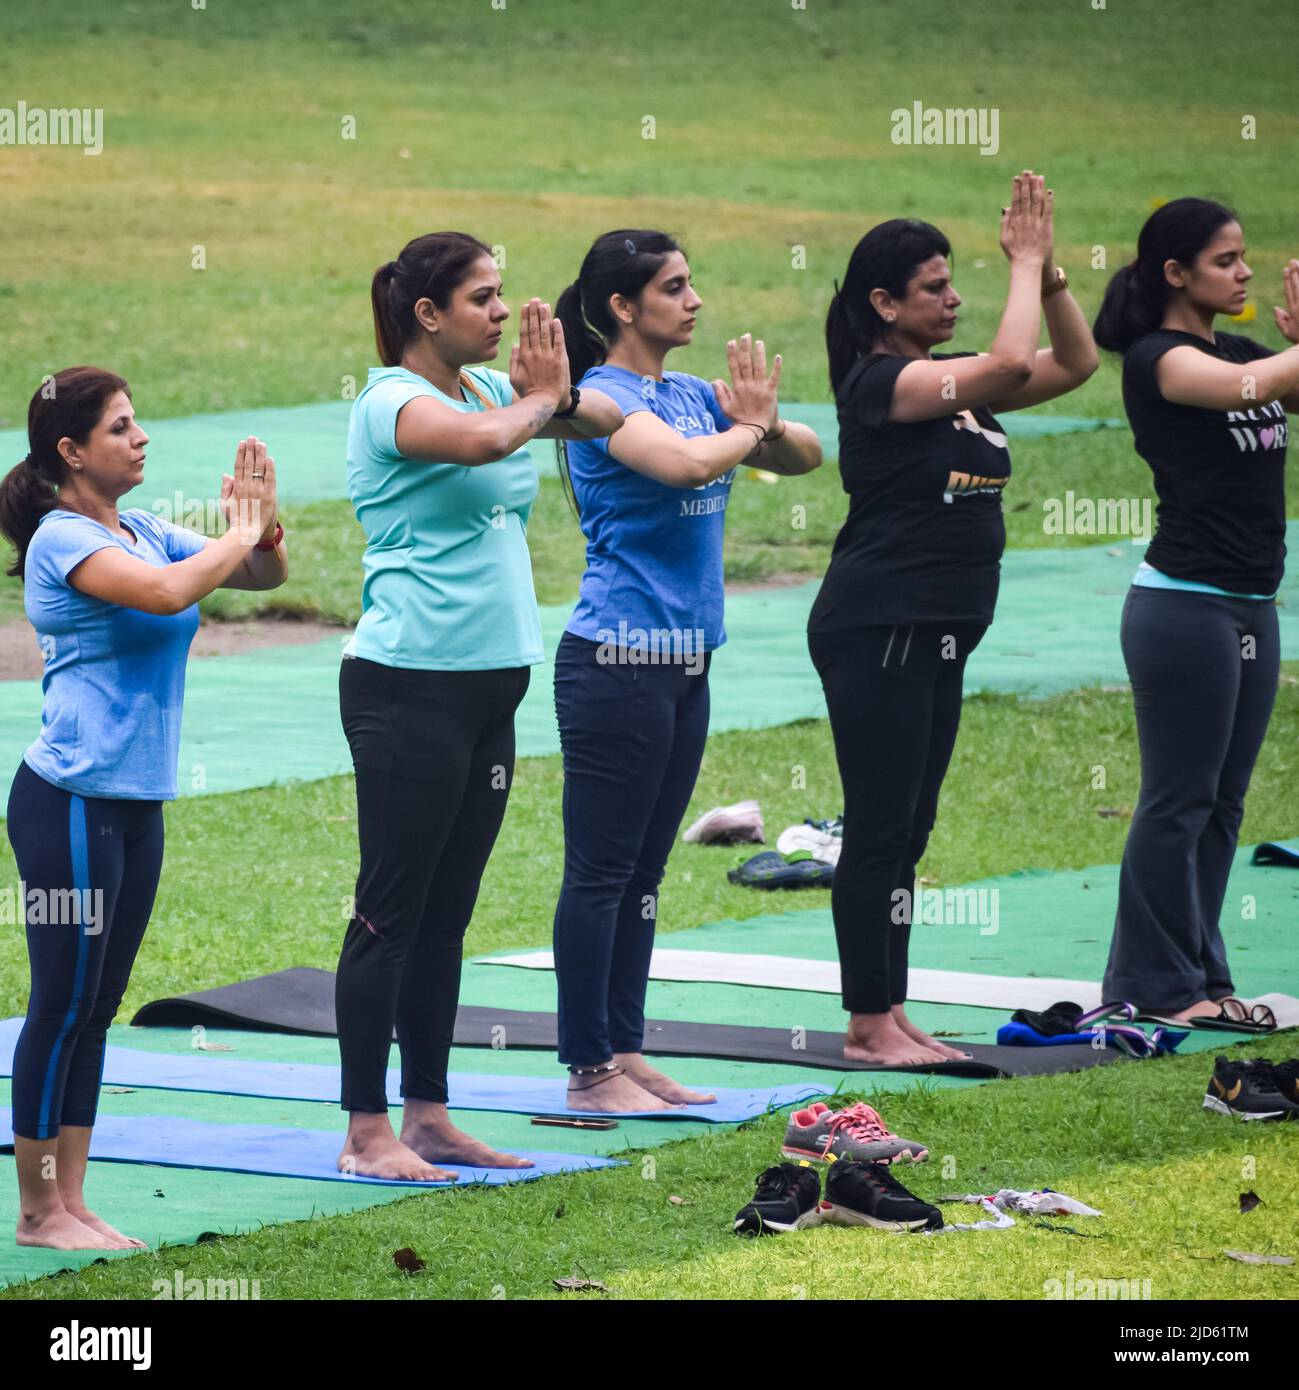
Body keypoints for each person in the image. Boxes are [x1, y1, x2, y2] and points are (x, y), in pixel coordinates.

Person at [336, 232, 624, 1179]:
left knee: (448, 912)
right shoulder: (393, 404)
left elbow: (598, 425)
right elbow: (483, 444)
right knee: (391, 909)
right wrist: (541, 400)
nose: (503, 314)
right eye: (483, 299)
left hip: (490, 688)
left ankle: (427, 1114)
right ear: (428, 315)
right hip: (405, 686)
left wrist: (560, 390)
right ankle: (364, 1131)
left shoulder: (500, 391)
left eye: (504, 297)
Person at [810, 173, 1097, 1067]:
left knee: (912, 826)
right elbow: (1013, 363)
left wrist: (1046, 276)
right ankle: (866, 1028)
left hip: (937, 627)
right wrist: (1019, 262)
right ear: (883, 302)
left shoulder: (956, 384)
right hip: (880, 622)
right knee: (881, 824)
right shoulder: (882, 382)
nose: (953, 296)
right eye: (933, 286)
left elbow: (1075, 363)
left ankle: (889, 1013)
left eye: (952, 281)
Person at [0, 366, 286, 1250]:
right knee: (62, 1002)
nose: (142, 438)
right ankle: (40, 1209)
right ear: (71, 451)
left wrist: (262, 530)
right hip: (71, 801)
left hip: (134, 802)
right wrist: (233, 537)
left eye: (138, 422)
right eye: (122, 427)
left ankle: (73, 1201)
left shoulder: (144, 528)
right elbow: (167, 592)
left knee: (100, 1003)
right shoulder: (61, 540)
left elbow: (262, 576)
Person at [550, 229, 822, 1112]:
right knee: (600, 873)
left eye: (692, 283)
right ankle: (588, 1071)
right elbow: (681, 465)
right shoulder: (600, 396)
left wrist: (761, 419)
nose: (695, 300)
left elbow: (807, 454)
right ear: (624, 307)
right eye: (674, 287)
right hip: (617, 659)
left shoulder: (692, 394)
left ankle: (624, 1051)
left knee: (643, 874)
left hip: (684, 665)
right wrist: (742, 424)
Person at [1093, 200, 1299, 1020]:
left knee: (1221, 802)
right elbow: (1244, 388)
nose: (1243, 272)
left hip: (1252, 604)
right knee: (1176, 799)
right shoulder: (1160, 360)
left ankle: (1204, 979)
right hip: (1183, 606)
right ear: (1175, 274)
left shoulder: (1247, 352)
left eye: (1244, 258)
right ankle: (1152, 986)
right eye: (1224, 261)